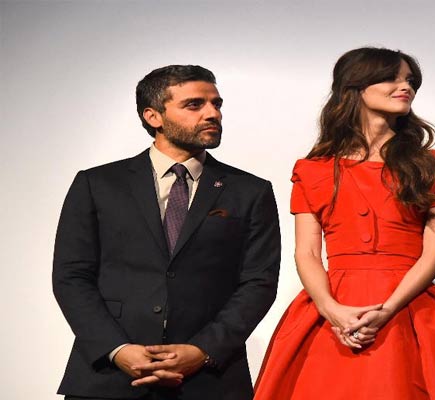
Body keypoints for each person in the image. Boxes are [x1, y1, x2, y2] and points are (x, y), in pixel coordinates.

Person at [253, 47, 435, 400]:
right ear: (356, 86)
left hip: (410, 307)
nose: (404, 86)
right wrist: (332, 311)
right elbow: (306, 253)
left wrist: (387, 310)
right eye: (391, 77)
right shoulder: (313, 169)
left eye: (410, 80)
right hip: (334, 307)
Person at [52, 65, 281, 400]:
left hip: (209, 380)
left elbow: (259, 282)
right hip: (107, 377)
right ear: (153, 116)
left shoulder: (250, 191)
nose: (212, 113)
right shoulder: (98, 184)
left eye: (216, 104)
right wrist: (117, 349)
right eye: (194, 105)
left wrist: (202, 350)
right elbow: (71, 276)